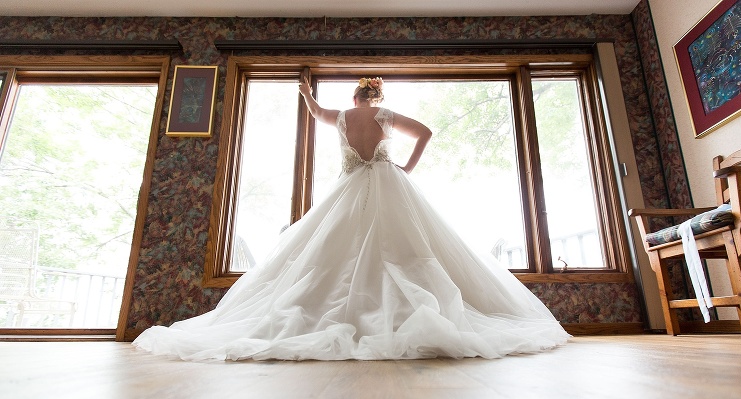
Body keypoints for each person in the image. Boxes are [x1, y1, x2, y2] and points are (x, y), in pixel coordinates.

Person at [133, 77, 570, 361]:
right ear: (376, 99)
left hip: (347, 191)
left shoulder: (340, 116)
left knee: (325, 257)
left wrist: (306, 95)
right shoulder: (385, 116)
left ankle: (340, 313)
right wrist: (407, 168)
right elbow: (427, 134)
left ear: (355, 97)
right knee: (408, 250)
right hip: (388, 185)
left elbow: (316, 112)